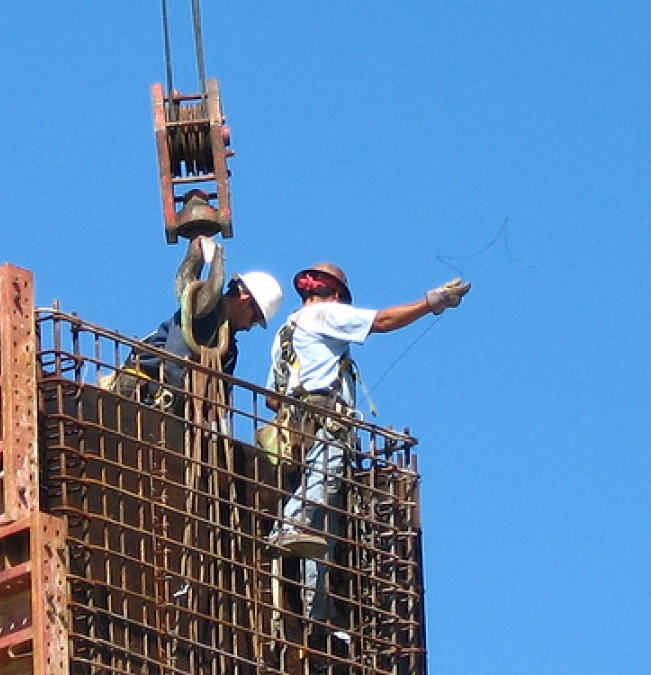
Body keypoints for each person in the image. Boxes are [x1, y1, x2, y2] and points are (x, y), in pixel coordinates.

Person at [263, 262, 470, 639]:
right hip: (326, 420)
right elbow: (384, 321)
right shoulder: (325, 314)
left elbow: (273, 400)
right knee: (320, 491)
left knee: (324, 524)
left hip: (294, 426)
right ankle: (285, 529)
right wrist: (431, 303)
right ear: (338, 294)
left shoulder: (284, 333)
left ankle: (318, 611)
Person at [113, 237, 283, 409]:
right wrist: (176, 402)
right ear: (245, 301)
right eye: (254, 320)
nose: (248, 327)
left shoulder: (228, 349)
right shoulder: (204, 314)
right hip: (142, 389)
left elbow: (220, 399)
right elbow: (175, 358)